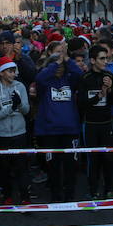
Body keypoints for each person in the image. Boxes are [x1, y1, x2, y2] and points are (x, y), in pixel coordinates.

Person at [34, 48, 83, 202]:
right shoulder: (44, 83)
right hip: (49, 132)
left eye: (62, 67)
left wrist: (67, 60)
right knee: (53, 167)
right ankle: (56, 195)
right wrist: (56, 62)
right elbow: (40, 78)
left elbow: (79, 74)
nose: (59, 69)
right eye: (56, 67)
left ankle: (69, 195)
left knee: (71, 166)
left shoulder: (70, 80)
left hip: (70, 130)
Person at [78, 45, 113, 198]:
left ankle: (110, 188)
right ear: (93, 60)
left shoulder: (109, 75)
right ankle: (93, 189)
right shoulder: (85, 78)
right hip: (90, 124)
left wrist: (109, 90)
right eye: (102, 59)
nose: (105, 62)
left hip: (107, 122)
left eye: (106, 58)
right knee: (93, 158)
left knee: (109, 157)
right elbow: (81, 103)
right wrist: (99, 96)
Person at [0, 55, 32, 204]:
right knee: (4, 169)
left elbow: (26, 110)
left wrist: (19, 104)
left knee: (22, 168)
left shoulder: (20, 87)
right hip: (2, 135)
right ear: (1, 73)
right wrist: (12, 107)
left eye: (14, 71)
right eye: (9, 71)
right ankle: (7, 195)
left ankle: (25, 197)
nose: (13, 74)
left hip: (20, 133)